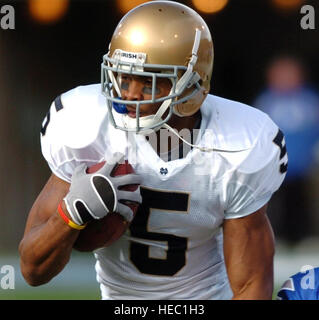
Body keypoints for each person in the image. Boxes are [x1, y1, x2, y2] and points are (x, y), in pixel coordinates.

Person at [19, 1, 287, 300]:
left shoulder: (239, 143)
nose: (130, 94)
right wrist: (71, 213)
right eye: (124, 77)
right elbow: (33, 271)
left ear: (191, 85)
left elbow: (251, 285)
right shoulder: (86, 126)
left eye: (148, 81)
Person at [254, 55, 319, 244]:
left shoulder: (310, 100)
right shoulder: (266, 100)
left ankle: (305, 238)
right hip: (274, 167)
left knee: (302, 205)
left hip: (304, 167)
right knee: (271, 207)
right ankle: (274, 239)